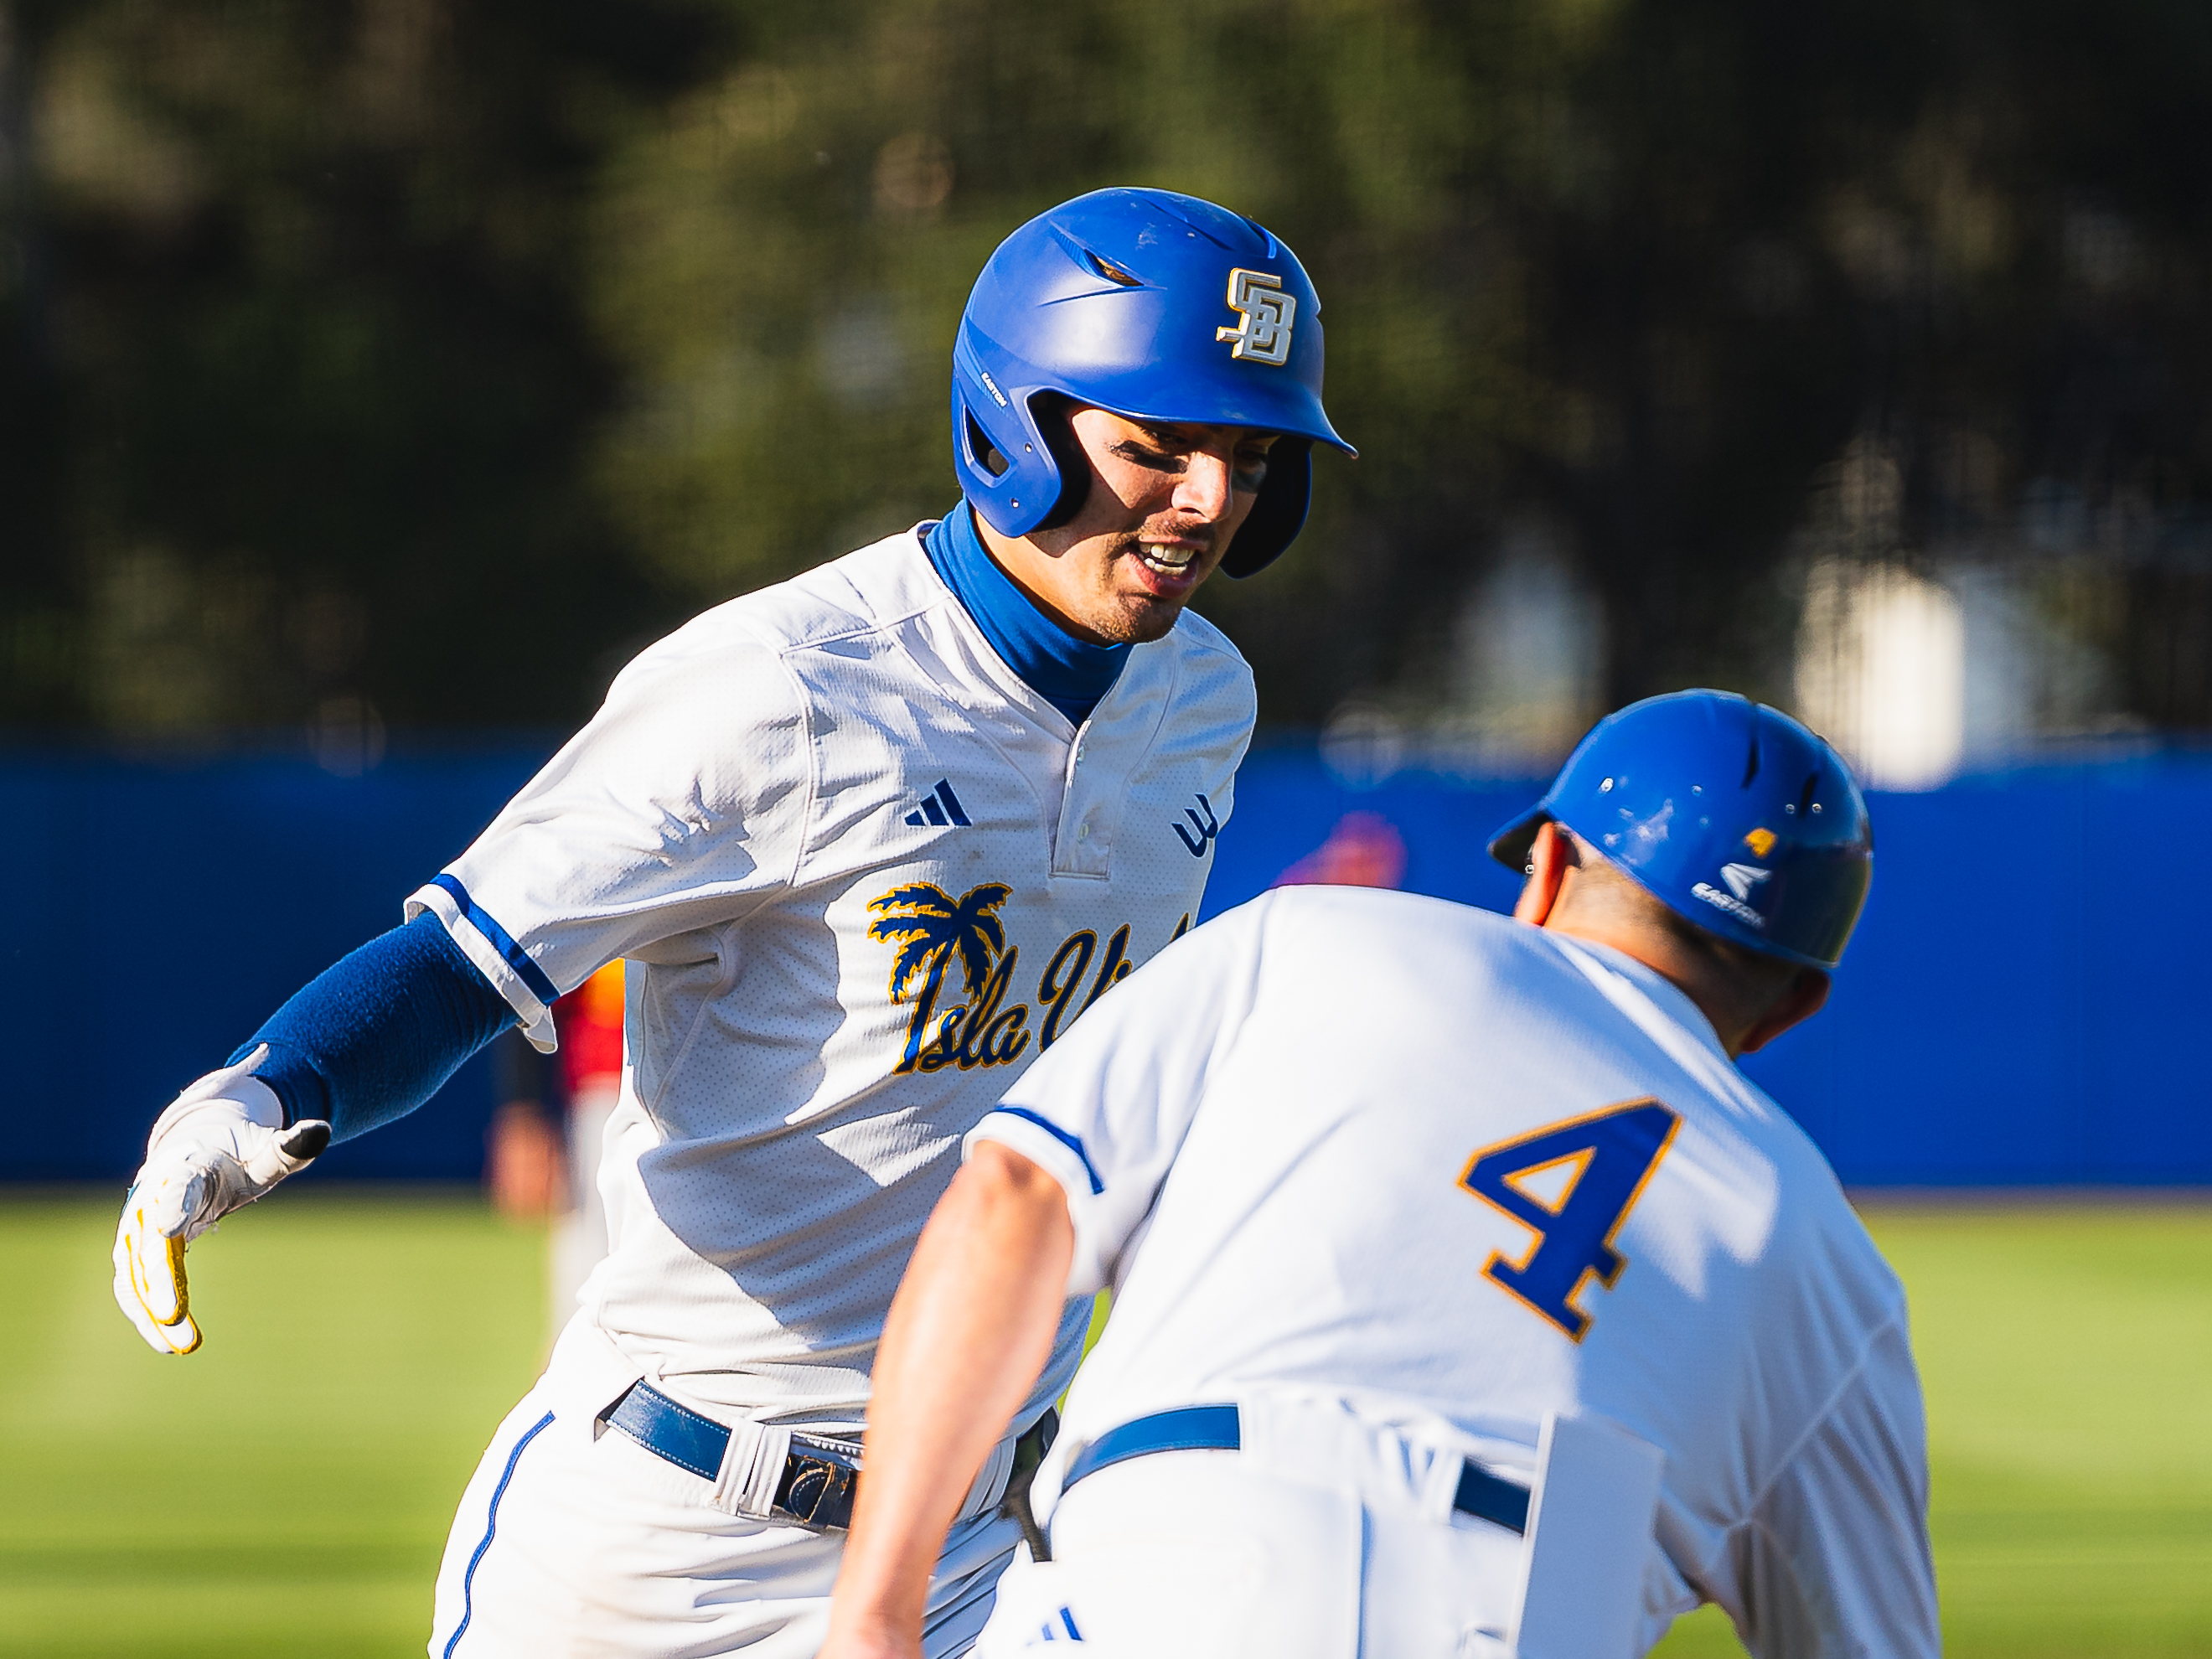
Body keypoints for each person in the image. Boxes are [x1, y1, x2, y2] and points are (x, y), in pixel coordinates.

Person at [109, 186, 1354, 1658]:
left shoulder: (1203, 701)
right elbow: (471, 958)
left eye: (1252, 456)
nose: (1211, 501)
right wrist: (268, 1087)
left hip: (973, 1561)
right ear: (1010, 426)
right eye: (1160, 447)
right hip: (660, 1547)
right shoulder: (781, 685)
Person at [819, 690, 1939, 1659]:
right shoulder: (1821, 1247)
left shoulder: (1318, 939)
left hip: (1182, 1558)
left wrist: (876, 1611)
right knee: (1597, 1532)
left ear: (1546, 866)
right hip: (1530, 1608)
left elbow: (1019, 1198)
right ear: (1797, 1004)